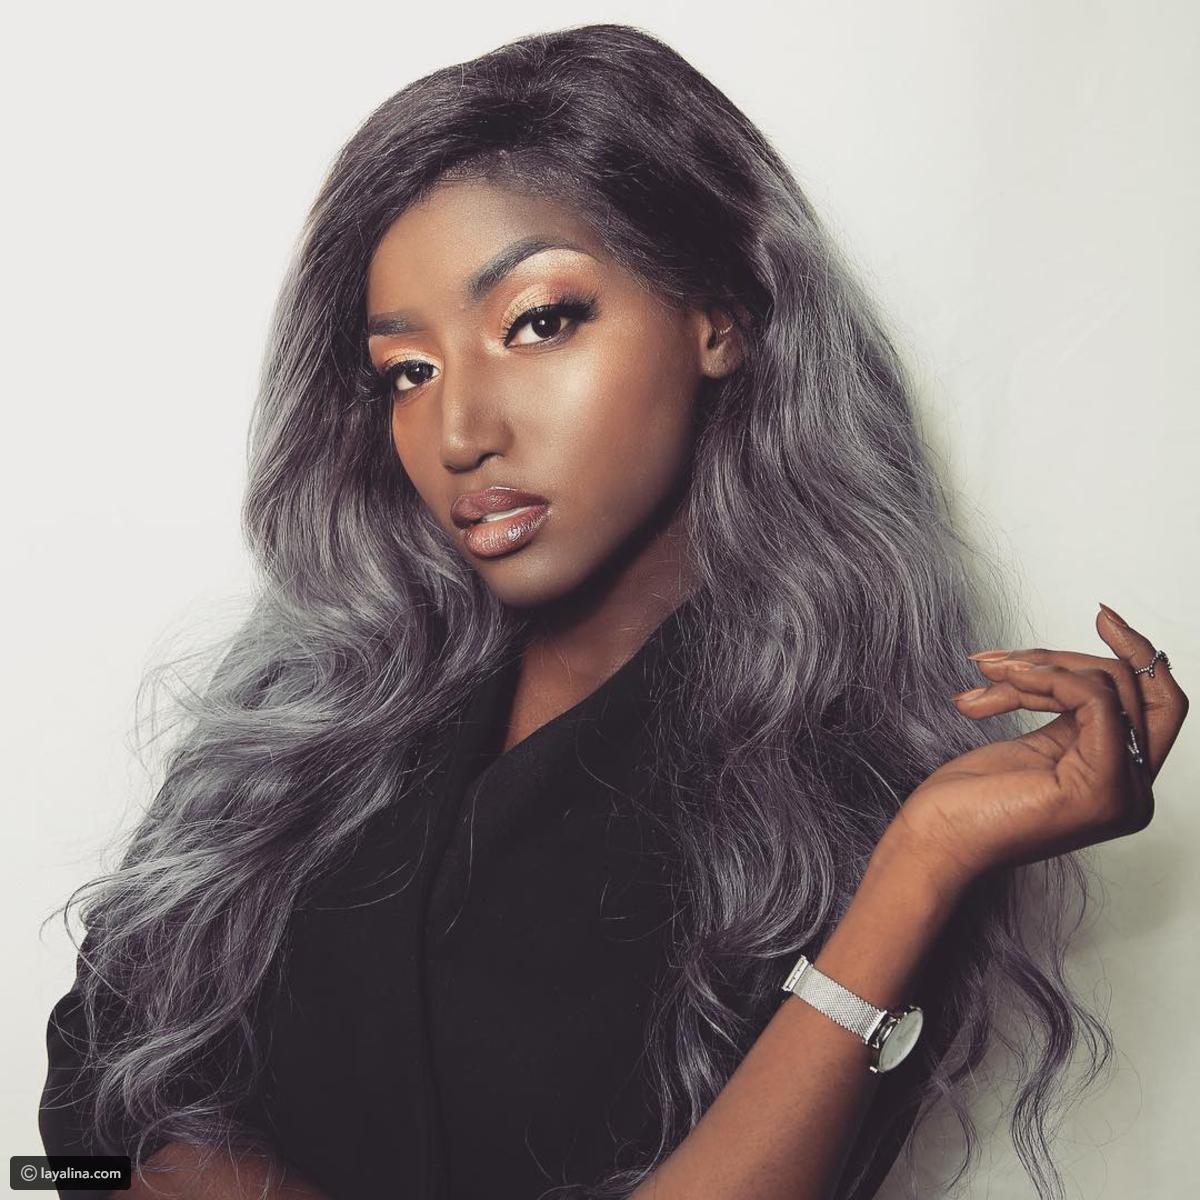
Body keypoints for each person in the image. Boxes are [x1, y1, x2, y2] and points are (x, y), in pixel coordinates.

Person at [37, 21, 1188, 1200]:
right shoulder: (306, 705)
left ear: (721, 314)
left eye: (538, 321)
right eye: (407, 372)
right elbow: (68, 1139)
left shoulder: (842, 796)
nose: (459, 433)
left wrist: (925, 864)